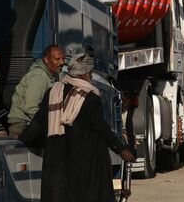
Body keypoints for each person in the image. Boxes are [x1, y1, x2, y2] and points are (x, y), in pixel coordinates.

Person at [19, 54, 136, 201]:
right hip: (82, 163)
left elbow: (39, 121)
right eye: (90, 73)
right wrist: (120, 149)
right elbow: (101, 128)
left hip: (57, 162)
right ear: (86, 74)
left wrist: (23, 138)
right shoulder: (90, 98)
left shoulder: (54, 92)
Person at [8, 45, 66, 138]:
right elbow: (31, 108)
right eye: (57, 59)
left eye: (63, 58)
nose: (62, 62)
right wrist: (51, 122)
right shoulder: (39, 77)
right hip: (23, 126)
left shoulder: (53, 75)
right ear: (46, 60)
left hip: (32, 123)